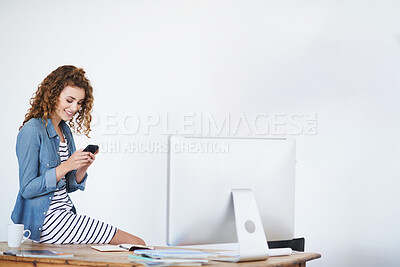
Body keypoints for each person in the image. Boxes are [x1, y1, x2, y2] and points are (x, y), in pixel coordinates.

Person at [11, 65, 145, 245]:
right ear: (53, 94)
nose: (74, 108)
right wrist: (67, 165)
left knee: (128, 246)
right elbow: (27, 189)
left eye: (80, 102)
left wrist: (82, 167)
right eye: (69, 100)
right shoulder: (32, 131)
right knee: (137, 243)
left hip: (65, 216)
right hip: (47, 223)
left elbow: (68, 187)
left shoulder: (65, 131)